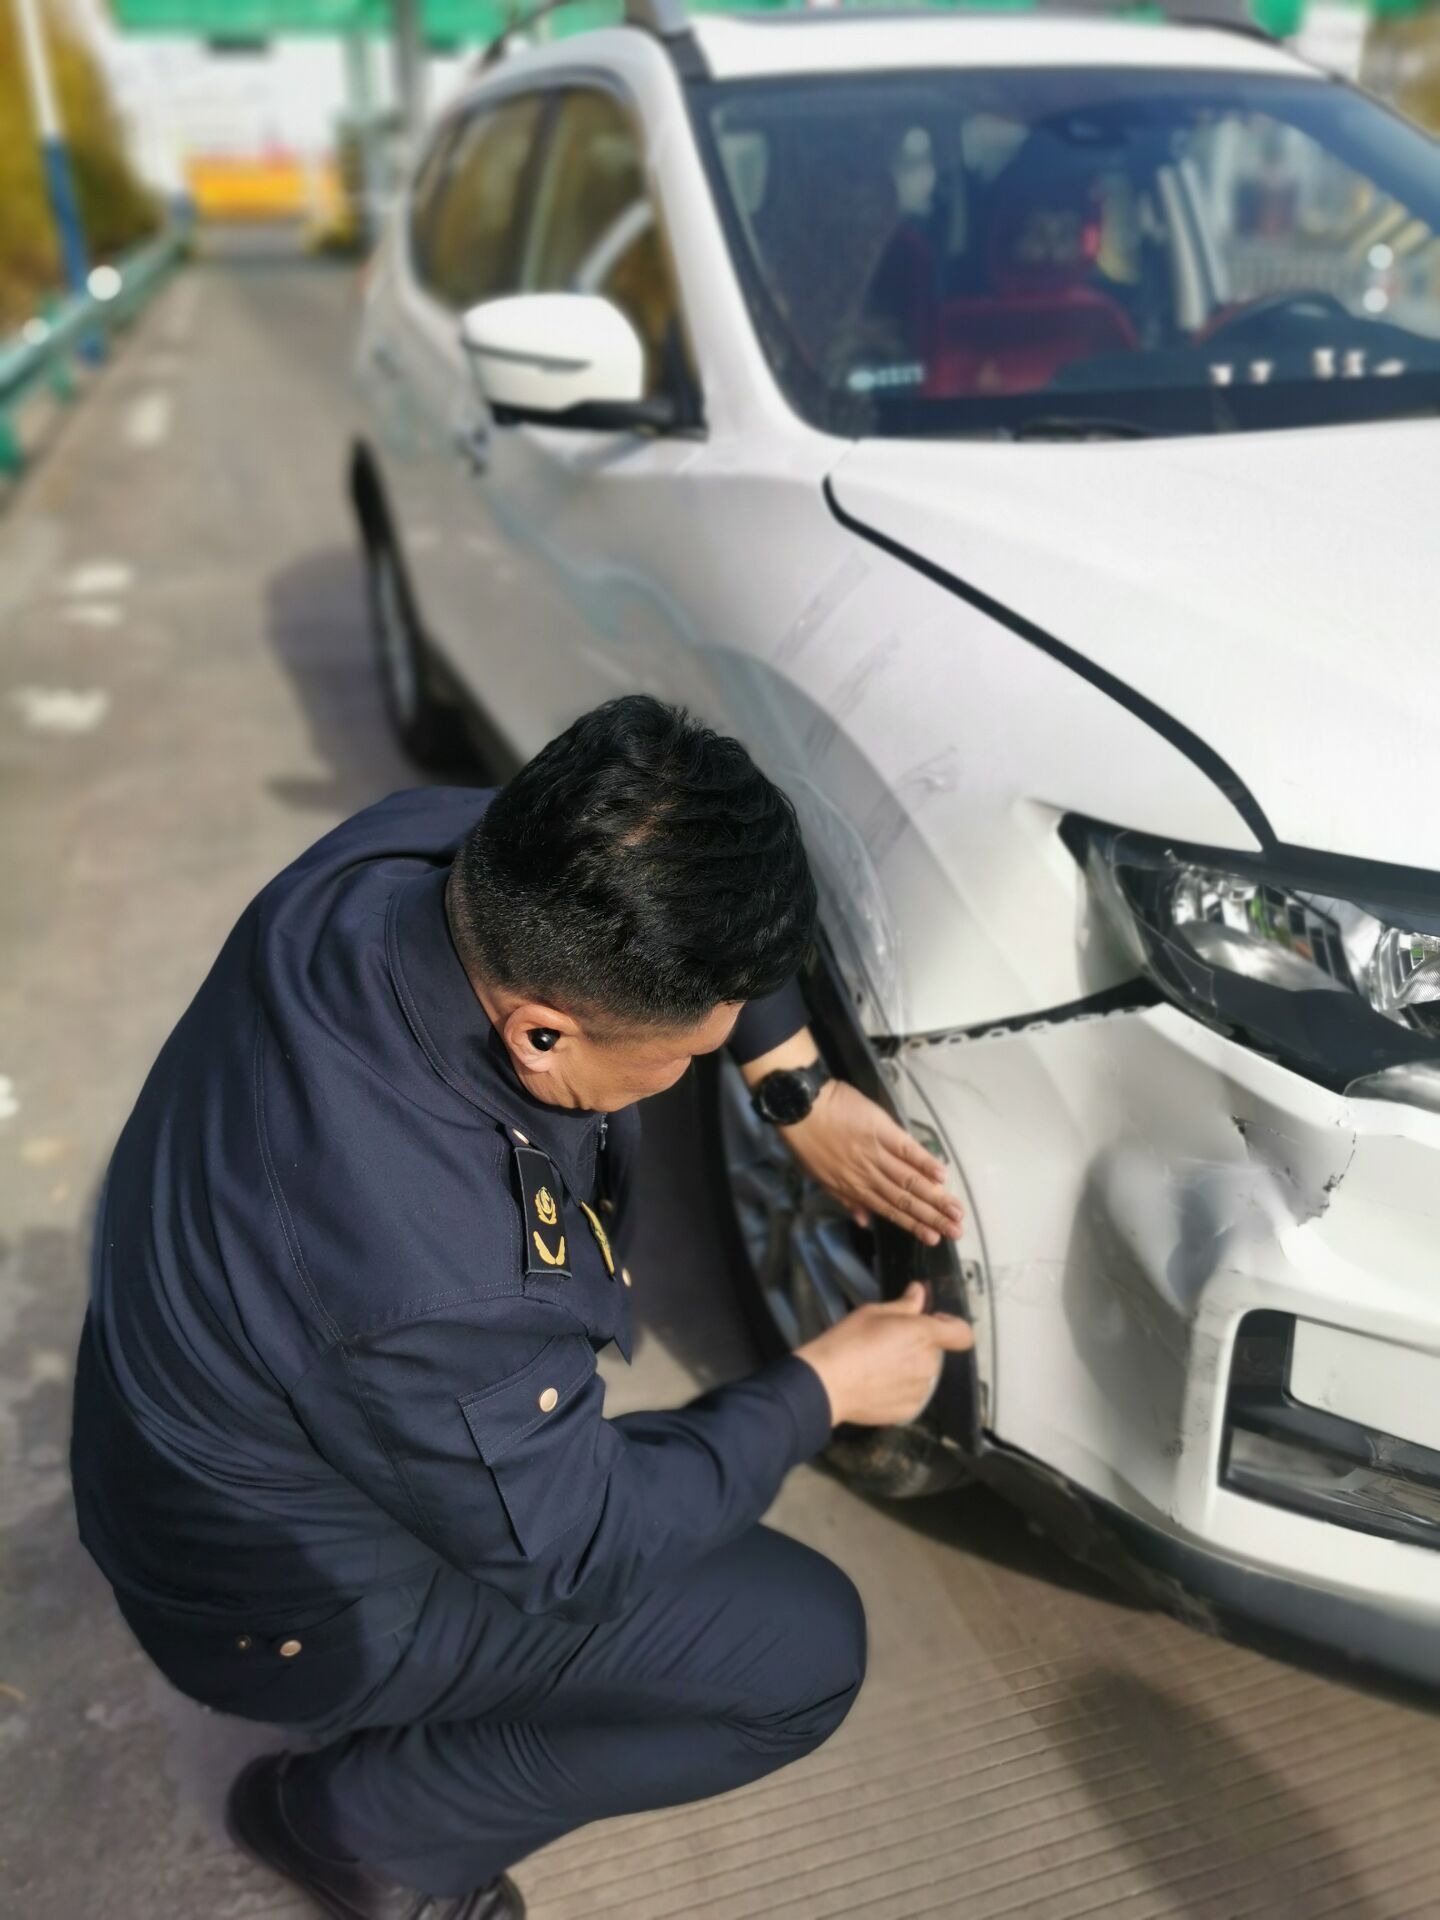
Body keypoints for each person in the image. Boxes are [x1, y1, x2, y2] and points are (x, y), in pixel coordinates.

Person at [70, 695, 972, 1920]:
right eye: (689, 1054)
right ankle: (361, 1827)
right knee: (800, 1654)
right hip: (276, 1602)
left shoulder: (409, 867)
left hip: (203, 1442)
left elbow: (650, 877)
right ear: (541, 1033)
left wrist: (793, 1082)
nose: (699, 1067)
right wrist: (823, 1389)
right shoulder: (439, 1268)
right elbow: (578, 1552)